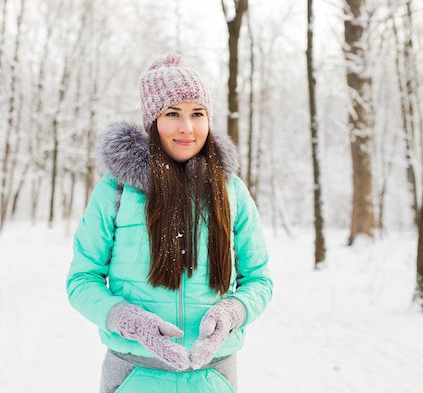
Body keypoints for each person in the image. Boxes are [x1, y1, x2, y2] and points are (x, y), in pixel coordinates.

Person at [66, 53, 273, 393]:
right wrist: (127, 320)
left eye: (197, 114)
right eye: (172, 114)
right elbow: (81, 279)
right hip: (133, 375)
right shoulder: (116, 191)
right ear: (152, 121)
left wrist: (234, 312)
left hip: (214, 375)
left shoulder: (231, 191)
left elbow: (259, 279)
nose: (187, 128)